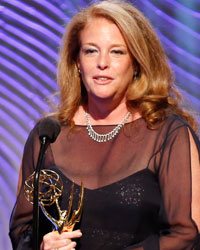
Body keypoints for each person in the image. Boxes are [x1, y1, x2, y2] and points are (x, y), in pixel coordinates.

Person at [9, 0, 200, 249]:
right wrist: (44, 246)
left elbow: (186, 234)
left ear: (136, 63)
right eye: (91, 51)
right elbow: (23, 229)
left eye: (117, 52)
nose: (102, 63)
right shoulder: (48, 135)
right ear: (77, 62)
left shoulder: (168, 135)